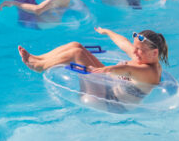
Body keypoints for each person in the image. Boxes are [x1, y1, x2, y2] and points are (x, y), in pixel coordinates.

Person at [17, 28, 170, 105]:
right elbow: (124, 43)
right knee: (76, 45)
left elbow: (129, 70)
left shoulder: (150, 71)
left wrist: (107, 69)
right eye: (135, 48)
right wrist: (108, 32)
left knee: (77, 54)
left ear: (154, 52)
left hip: (111, 101)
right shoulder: (143, 56)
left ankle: (38, 66)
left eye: (139, 50)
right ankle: (39, 57)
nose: (134, 52)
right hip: (109, 84)